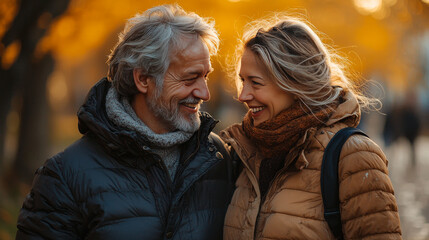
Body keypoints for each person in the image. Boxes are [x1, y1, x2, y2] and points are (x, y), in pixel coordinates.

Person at [16, 4, 235, 240]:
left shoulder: (218, 157)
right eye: (190, 78)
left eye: (205, 77)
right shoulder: (65, 176)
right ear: (143, 79)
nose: (204, 93)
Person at [221, 15, 402, 240]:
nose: (242, 95)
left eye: (255, 83)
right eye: (242, 80)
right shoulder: (244, 152)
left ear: (296, 83)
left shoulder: (353, 155)